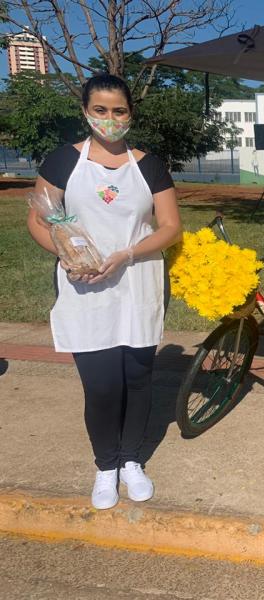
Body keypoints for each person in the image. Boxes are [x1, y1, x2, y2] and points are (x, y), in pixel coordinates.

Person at [27, 73, 182, 510]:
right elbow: (39, 220)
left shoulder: (149, 165)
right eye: (101, 110)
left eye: (119, 111)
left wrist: (127, 254)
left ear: (130, 113)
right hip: (85, 287)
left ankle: (132, 461)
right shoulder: (61, 162)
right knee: (100, 386)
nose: (110, 120)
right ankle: (105, 465)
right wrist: (67, 257)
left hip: (137, 282)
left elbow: (170, 227)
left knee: (136, 378)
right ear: (85, 111)